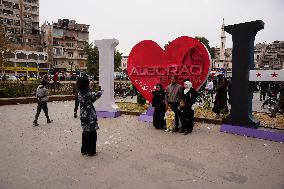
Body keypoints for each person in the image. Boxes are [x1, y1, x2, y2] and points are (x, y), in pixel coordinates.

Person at [77, 77, 100, 156]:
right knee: (92, 132)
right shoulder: (88, 93)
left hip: (83, 114)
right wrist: (100, 89)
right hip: (89, 114)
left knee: (85, 131)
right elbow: (98, 94)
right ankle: (91, 151)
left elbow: (91, 100)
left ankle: (84, 149)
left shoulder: (80, 93)